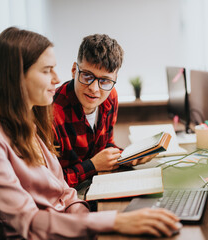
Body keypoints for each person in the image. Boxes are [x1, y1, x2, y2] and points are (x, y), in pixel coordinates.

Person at [0, 27, 180, 239]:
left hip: (67, 225)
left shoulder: (28, 124)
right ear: (16, 76)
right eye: (47, 70)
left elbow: (63, 193)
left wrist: (92, 223)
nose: (57, 79)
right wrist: (112, 222)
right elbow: (28, 223)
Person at [53, 34, 154, 188]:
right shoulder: (50, 113)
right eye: (87, 76)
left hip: (96, 185)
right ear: (74, 70)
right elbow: (48, 182)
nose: (94, 89)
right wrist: (92, 166)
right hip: (67, 196)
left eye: (105, 81)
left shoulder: (110, 97)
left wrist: (129, 156)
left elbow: (105, 145)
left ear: (114, 80)